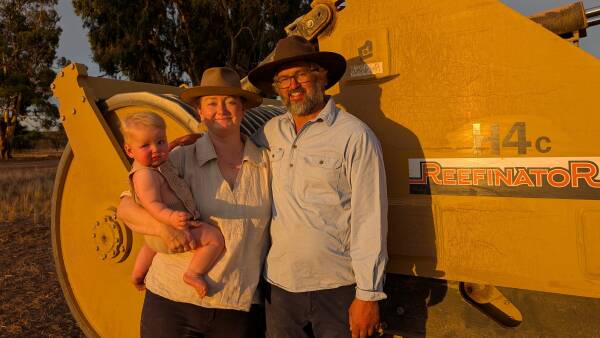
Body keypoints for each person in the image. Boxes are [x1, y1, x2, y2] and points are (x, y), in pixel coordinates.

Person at [247, 35, 388, 338]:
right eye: (284, 79)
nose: (293, 85)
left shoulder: (354, 136)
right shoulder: (269, 132)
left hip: (336, 288)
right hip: (280, 288)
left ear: (321, 77)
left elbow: (370, 219)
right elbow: (231, 152)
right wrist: (193, 140)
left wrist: (368, 294)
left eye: (300, 75)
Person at [117, 67, 270, 338]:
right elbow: (126, 208)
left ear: (243, 110)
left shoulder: (267, 165)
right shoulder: (176, 158)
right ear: (200, 112)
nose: (221, 110)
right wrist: (163, 229)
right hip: (171, 303)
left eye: (230, 102)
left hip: (237, 306)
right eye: (211, 103)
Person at [120, 111, 225, 298]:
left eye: (160, 142)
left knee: (150, 245)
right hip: (172, 228)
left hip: (155, 236)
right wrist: (172, 218)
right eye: (145, 145)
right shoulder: (145, 175)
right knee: (214, 238)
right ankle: (194, 273)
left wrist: (177, 143)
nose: (156, 150)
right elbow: (152, 205)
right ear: (129, 151)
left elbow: (164, 151)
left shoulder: (155, 163)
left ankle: (137, 274)